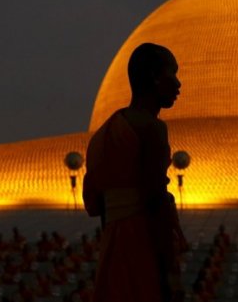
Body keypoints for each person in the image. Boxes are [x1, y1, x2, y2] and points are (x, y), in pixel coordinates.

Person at [83, 42, 187, 302]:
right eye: (171, 74)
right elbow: (155, 198)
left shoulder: (103, 134)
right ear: (153, 78)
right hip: (142, 241)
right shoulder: (151, 128)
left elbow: (98, 204)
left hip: (113, 242)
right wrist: (169, 270)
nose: (178, 84)